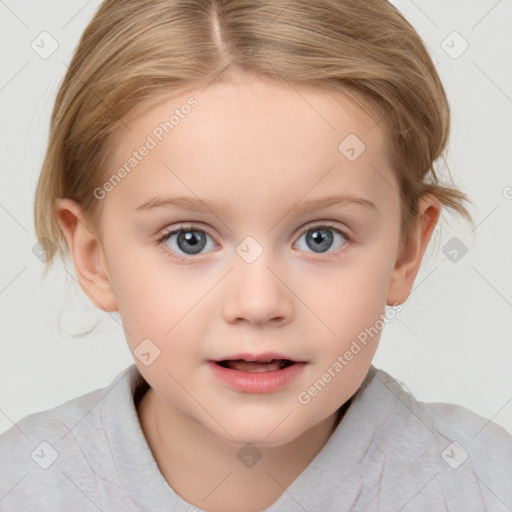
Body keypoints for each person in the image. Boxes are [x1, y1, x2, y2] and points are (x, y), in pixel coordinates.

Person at [1, 0, 511, 511]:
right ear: (94, 258)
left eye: (320, 238)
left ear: (406, 250)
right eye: (189, 240)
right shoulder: (23, 484)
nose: (259, 302)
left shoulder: (485, 485)